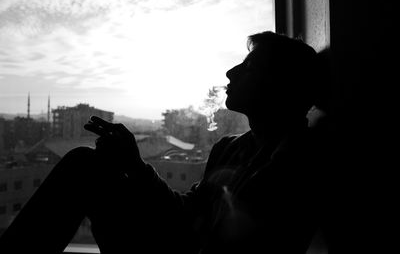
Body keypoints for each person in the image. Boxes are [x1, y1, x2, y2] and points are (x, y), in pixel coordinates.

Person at [0, 31, 323, 254]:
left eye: (248, 67)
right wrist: (135, 165)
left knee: (84, 166)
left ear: (278, 85)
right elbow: (187, 215)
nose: (230, 71)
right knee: (86, 164)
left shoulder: (300, 162)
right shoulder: (230, 147)